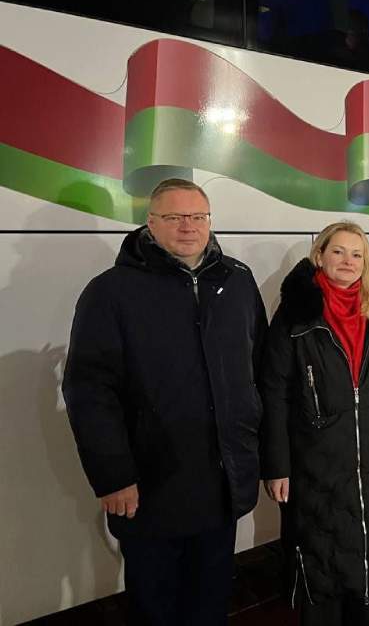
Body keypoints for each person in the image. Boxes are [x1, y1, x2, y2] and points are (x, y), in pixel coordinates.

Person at [62, 178, 268, 626]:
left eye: (197, 216)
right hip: (150, 487)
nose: (187, 226)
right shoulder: (110, 292)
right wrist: (113, 476)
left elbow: (257, 369)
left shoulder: (237, 281)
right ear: (150, 223)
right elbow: (89, 391)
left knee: (211, 600)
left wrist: (259, 453)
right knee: (155, 606)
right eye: (174, 217)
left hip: (222, 481)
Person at [258, 222, 369, 626]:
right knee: (318, 567)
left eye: (357, 254)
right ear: (319, 256)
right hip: (312, 461)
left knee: (364, 564)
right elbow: (274, 392)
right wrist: (277, 466)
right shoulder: (295, 314)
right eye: (338, 251)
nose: (348, 261)